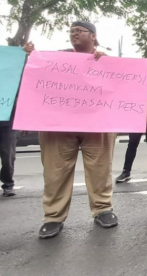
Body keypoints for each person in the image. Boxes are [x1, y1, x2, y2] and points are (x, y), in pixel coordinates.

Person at [24, 21, 119, 239]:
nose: (74, 34)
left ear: (93, 36)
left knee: (100, 168)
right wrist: (30, 57)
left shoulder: (105, 60)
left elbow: (120, 87)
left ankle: (103, 209)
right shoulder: (56, 59)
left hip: (97, 124)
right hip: (59, 125)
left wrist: (108, 65)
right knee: (55, 170)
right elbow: (35, 82)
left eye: (80, 31)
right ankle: (53, 216)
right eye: (72, 31)